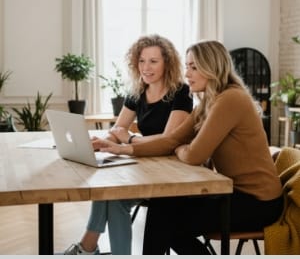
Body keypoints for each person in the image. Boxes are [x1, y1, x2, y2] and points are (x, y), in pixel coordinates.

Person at [95, 40, 284, 255]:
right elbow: (172, 139)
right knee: (163, 206)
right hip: (229, 191)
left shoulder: (230, 99)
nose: (187, 74)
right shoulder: (209, 102)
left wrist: (179, 149)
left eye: (194, 67)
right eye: (187, 66)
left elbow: (194, 154)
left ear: (211, 68)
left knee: (169, 224)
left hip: (258, 202)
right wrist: (122, 149)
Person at [64, 34, 193, 255]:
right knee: (112, 194)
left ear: (167, 63)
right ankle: (106, 251)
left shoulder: (180, 92)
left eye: (153, 61)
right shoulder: (137, 91)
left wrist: (130, 139)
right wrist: (101, 142)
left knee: (112, 194)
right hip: (145, 163)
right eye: (142, 61)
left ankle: (87, 246)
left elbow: (169, 140)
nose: (146, 67)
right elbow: (117, 130)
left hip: (172, 171)